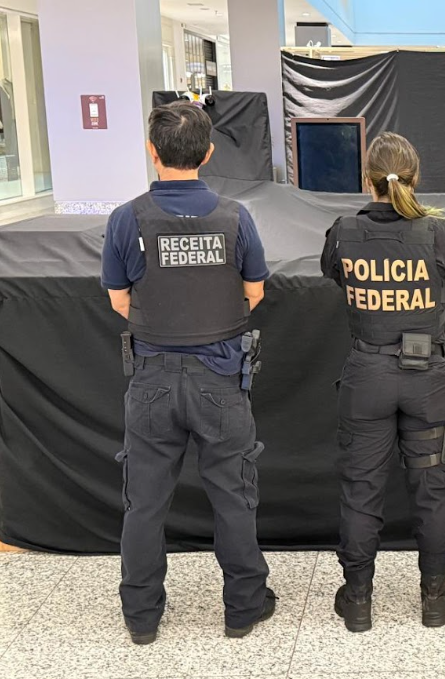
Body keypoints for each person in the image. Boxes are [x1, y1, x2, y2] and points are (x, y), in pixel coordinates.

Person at [101, 101, 275, 645]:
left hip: (151, 378)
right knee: (234, 497)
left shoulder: (126, 218)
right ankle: (243, 608)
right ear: (209, 153)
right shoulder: (236, 217)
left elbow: (119, 300)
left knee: (144, 503)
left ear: (152, 152)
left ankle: (141, 616)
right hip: (220, 378)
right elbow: (254, 293)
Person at [320, 131, 445, 633]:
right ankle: (434, 598)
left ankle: (357, 601)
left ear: (368, 180)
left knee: (362, 490)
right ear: (415, 177)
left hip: (367, 375)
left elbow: (337, 277)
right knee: (431, 488)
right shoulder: (442, 233)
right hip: (428, 378)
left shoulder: (343, 232)